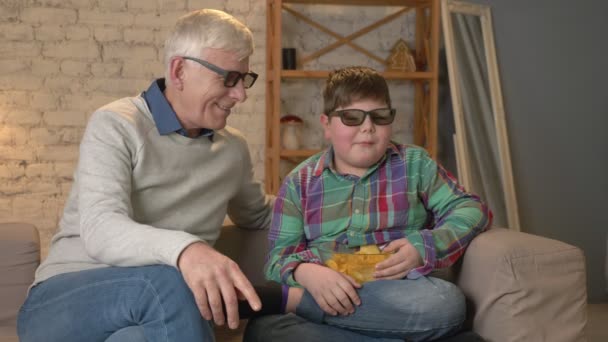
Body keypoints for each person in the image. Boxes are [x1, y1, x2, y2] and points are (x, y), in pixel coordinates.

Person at [18, 9, 283, 342]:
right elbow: (101, 228)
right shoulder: (116, 124)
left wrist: (339, 210)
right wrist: (188, 250)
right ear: (179, 70)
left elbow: (258, 213)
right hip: (63, 301)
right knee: (168, 280)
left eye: (244, 79)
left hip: (160, 309)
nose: (240, 94)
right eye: (228, 78)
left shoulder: (233, 149)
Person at [252, 66, 492, 341]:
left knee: (447, 304)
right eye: (352, 117)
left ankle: (293, 301)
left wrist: (424, 245)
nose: (367, 127)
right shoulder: (299, 183)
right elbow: (278, 259)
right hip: (326, 287)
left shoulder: (415, 165)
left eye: (379, 116)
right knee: (264, 331)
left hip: (399, 292)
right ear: (327, 125)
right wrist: (306, 273)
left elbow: (472, 209)